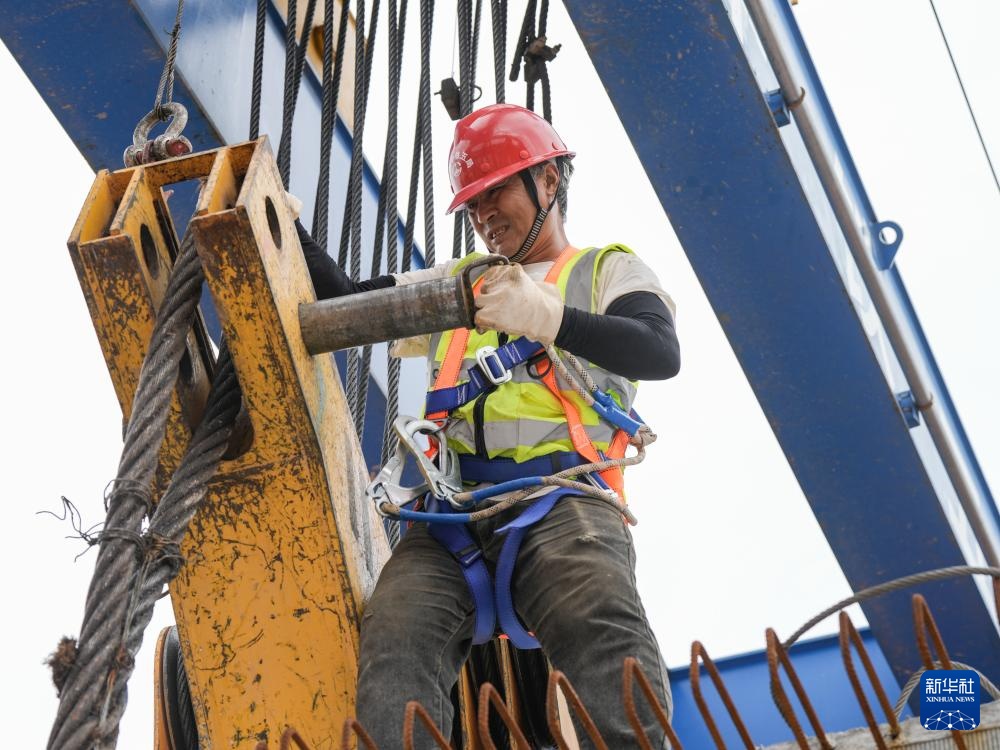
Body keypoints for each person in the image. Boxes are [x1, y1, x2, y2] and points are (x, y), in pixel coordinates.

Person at [295, 103, 680, 747]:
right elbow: (346, 304)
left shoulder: (604, 270)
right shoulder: (459, 284)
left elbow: (658, 350)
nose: (484, 214)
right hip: (451, 517)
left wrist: (551, 319)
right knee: (393, 643)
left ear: (549, 182)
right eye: (472, 203)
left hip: (561, 501)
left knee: (600, 625)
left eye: (496, 190)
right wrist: (284, 225)